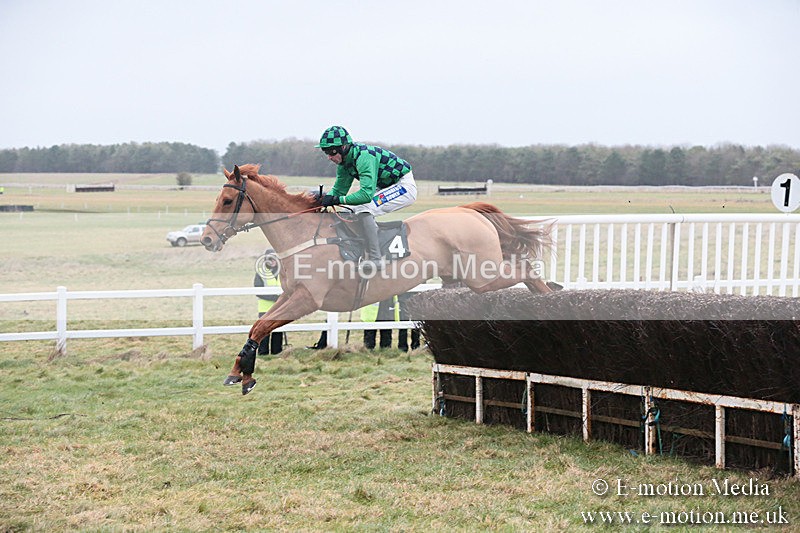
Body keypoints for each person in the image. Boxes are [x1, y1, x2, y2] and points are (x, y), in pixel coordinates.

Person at [316, 126, 417, 275]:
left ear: (343, 147)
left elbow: (365, 195)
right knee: (349, 210)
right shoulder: (344, 164)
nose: (329, 157)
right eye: (326, 153)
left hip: (403, 186)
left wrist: (338, 199)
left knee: (364, 207)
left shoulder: (364, 157)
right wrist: (324, 200)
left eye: (331, 152)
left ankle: (376, 258)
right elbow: (338, 191)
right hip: (384, 187)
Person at [253, 248, 284, 356]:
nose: (273, 261)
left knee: (278, 330)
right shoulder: (261, 273)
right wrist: (274, 298)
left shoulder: (282, 273)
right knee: (264, 332)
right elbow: (258, 291)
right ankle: (263, 352)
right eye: (270, 259)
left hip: (280, 308)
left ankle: (277, 352)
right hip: (265, 308)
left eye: (275, 258)